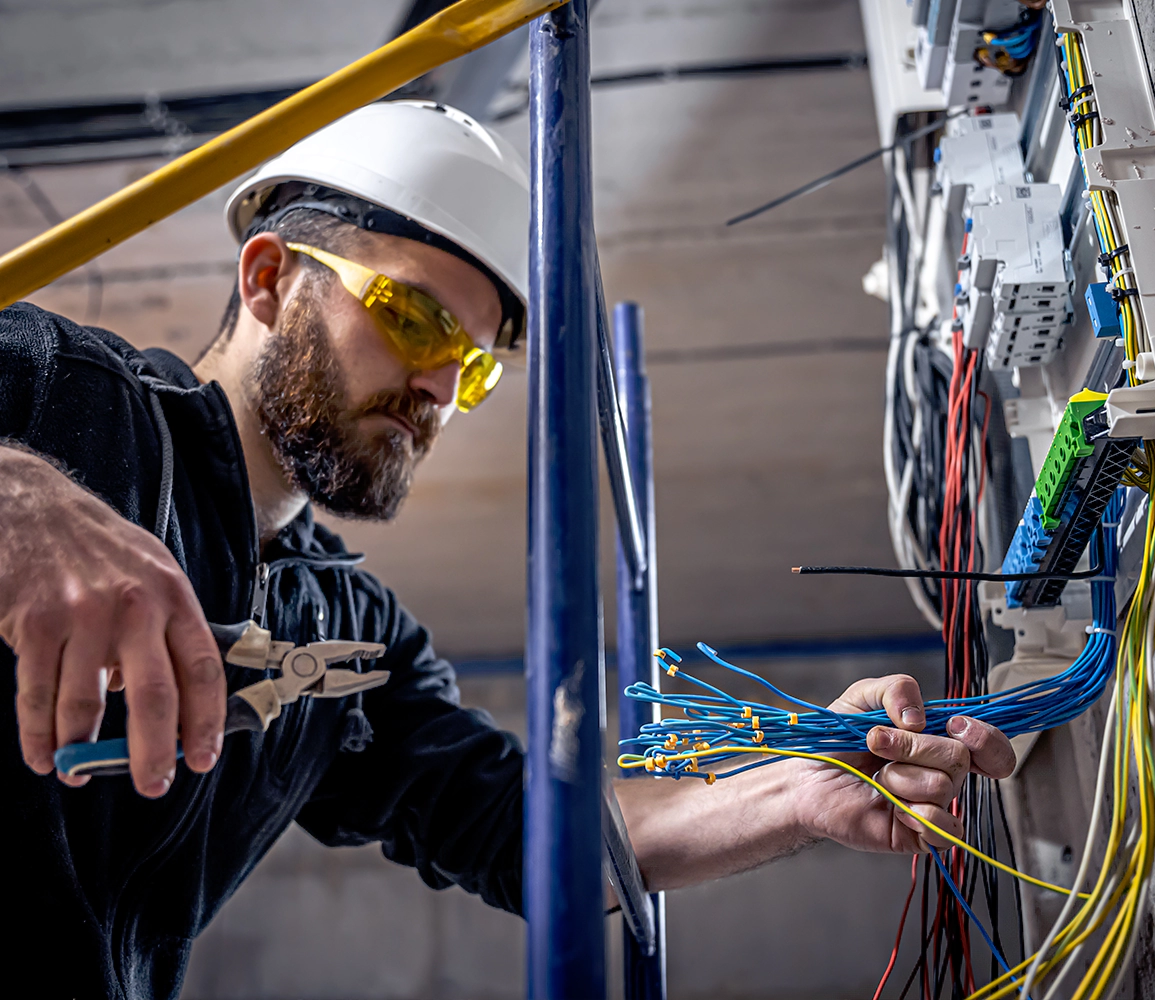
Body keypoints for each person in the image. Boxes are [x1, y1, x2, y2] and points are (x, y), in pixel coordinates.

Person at [0, 100, 1015, 999]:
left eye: (472, 367)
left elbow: (526, 833)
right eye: (413, 318)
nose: (440, 391)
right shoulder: (62, 392)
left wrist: (794, 786)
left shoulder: (349, 634)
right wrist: (23, 499)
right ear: (268, 279)